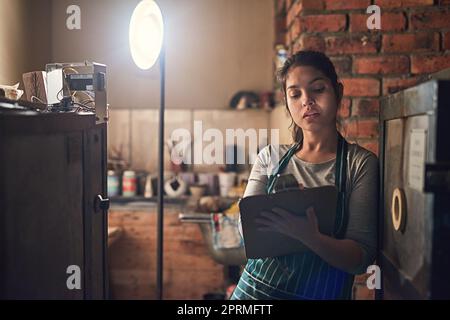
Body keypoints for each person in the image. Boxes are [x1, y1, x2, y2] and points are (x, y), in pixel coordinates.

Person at [231, 50, 379, 300]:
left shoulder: (360, 164)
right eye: (295, 94)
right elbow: (247, 232)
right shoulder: (270, 158)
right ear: (288, 104)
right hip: (255, 294)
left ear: (338, 92)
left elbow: (360, 260)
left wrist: (310, 236)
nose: (307, 101)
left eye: (318, 89)